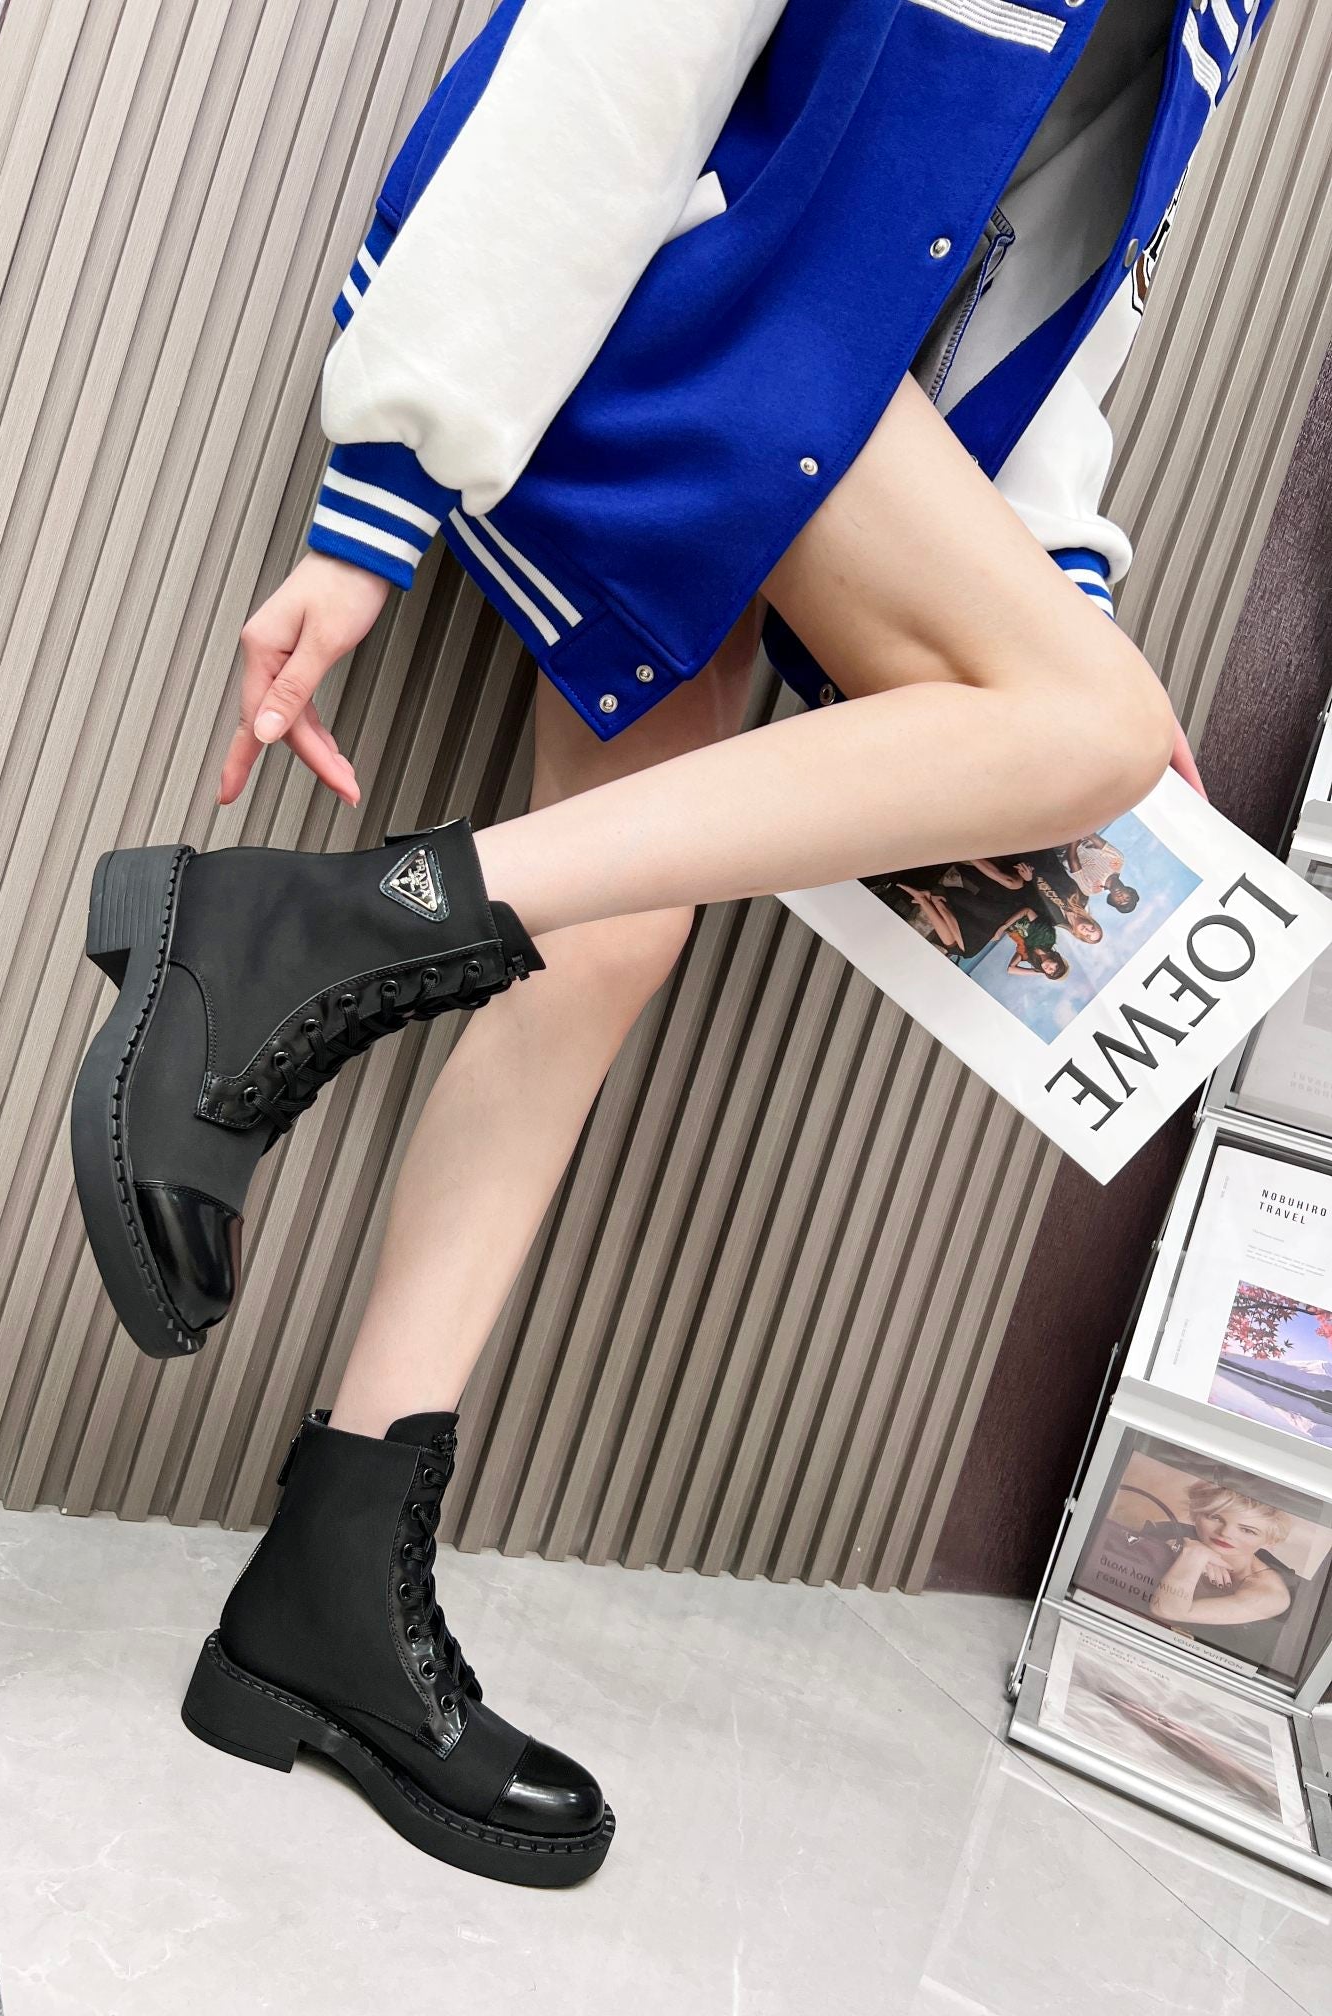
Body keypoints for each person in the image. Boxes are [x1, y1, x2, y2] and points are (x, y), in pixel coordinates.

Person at [70, 0, 1274, 1887]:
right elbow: (614, 55)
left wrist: (1053, 598)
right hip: (681, 307)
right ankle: (297, 930)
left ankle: (320, 1588)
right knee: (1083, 727)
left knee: (614, 928)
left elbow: (1054, 264)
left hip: (807, 379)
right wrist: (378, 495)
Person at [1145, 1480, 1297, 1672]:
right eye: (1215, 1517)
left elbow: (1167, 1610)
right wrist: (1184, 1548)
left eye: (1247, 1530)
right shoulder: (1173, 1532)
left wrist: (1195, 1554)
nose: (1225, 1533)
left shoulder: (1270, 1593)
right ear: (1195, 1513)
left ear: (1270, 1541)